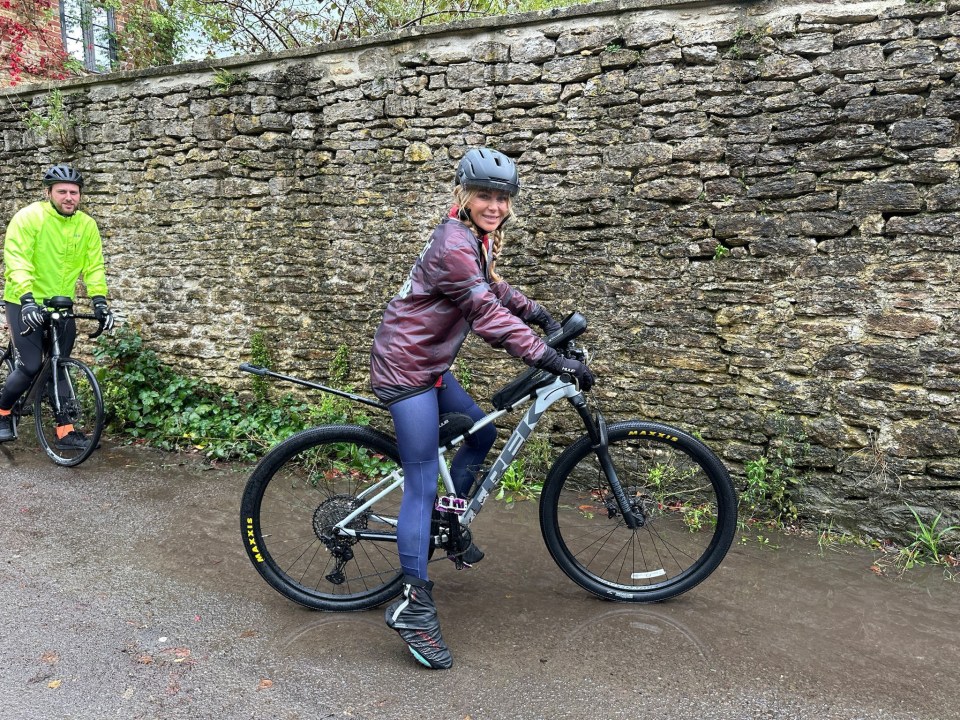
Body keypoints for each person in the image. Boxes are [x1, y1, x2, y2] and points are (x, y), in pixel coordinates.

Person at [369, 147, 594, 670]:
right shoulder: (453, 244)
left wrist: (541, 314)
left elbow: (495, 289)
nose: (494, 205)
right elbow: (484, 311)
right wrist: (548, 356)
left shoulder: (475, 239)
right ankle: (413, 608)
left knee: (480, 434)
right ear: (463, 197)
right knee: (422, 480)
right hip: (405, 370)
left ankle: (448, 525)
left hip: (430, 366)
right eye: (484, 196)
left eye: (501, 198)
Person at [0, 163, 115, 446]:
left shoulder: (86, 225)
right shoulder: (29, 218)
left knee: (59, 364)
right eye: (62, 191)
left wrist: (99, 301)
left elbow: (94, 267)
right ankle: (2, 412)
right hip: (23, 300)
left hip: (60, 304)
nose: (68, 197)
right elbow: (17, 259)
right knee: (29, 366)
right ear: (48, 192)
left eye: (74, 192)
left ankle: (65, 431)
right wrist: (27, 300)